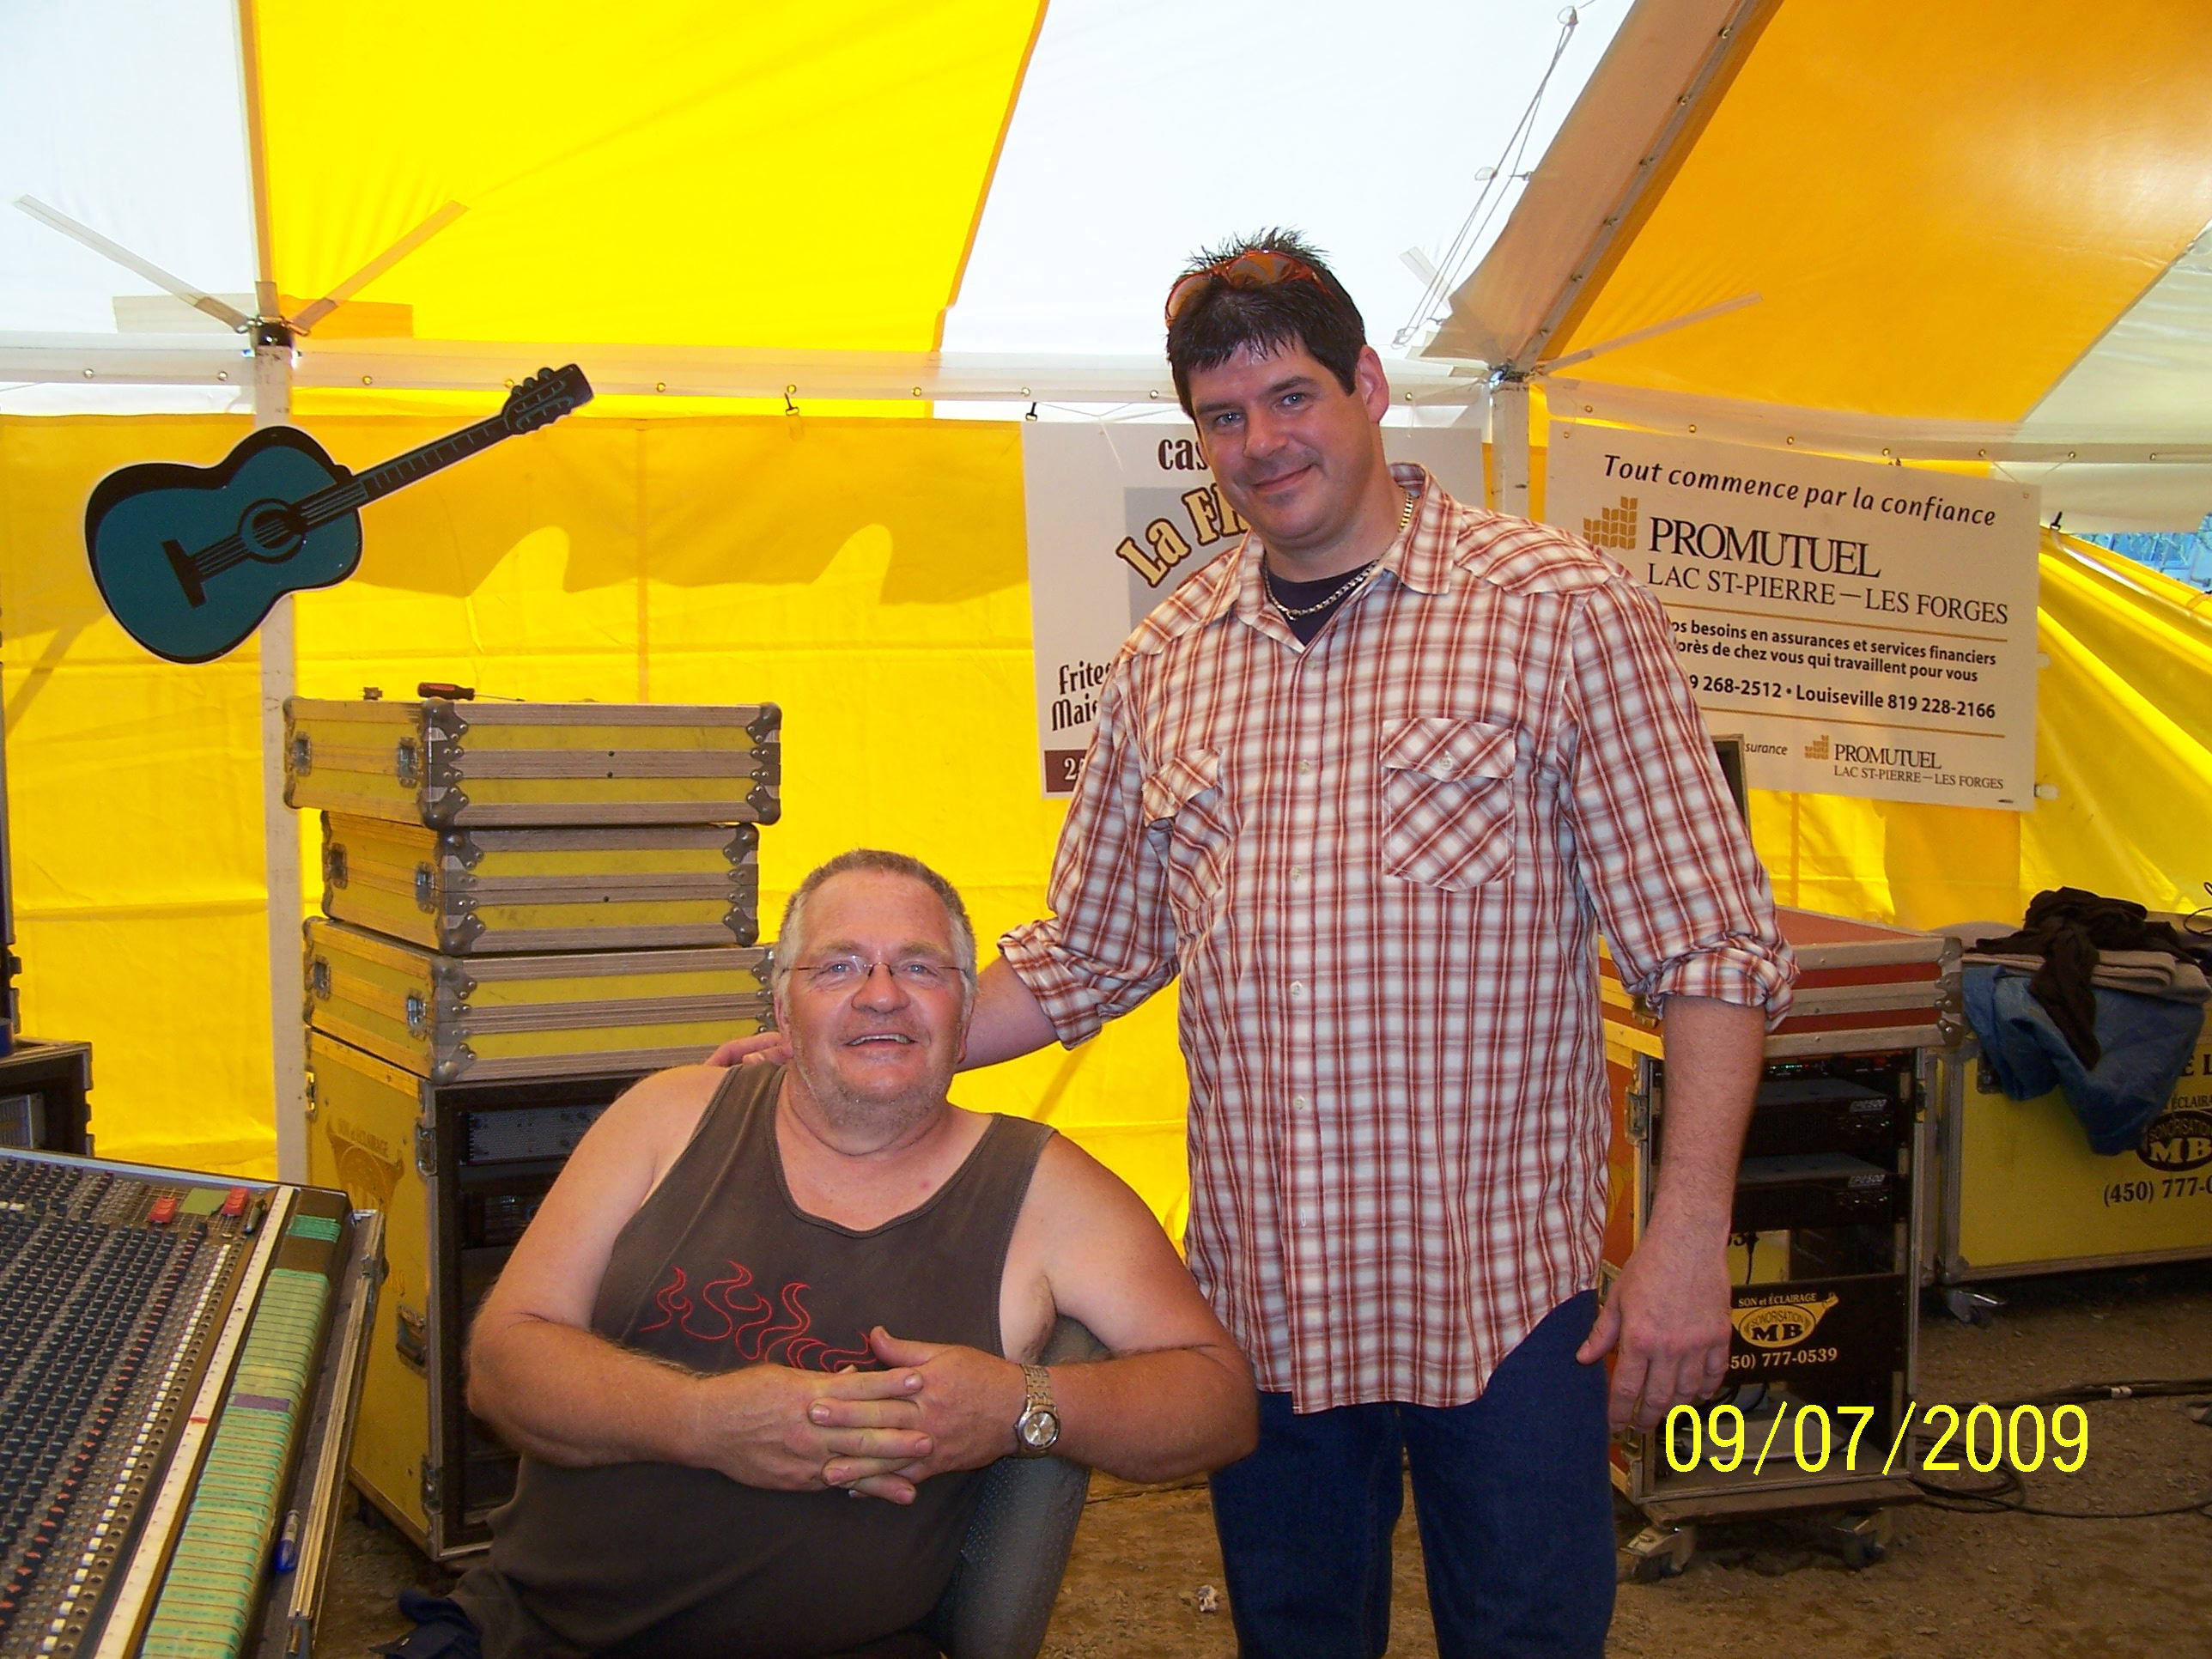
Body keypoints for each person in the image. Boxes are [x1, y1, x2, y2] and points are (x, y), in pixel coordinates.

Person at [721, 231, 1796, 1658]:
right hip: (1264, 1310)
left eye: (1293, 397)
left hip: (1506, 1300)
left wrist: (1687, 1236)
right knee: (1294, 1639)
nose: (1262, 443)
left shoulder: (1560, 615)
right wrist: (856, 1039)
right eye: (1223, 417)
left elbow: (1708, 946)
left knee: (1528, 1637)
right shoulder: (1168, 660)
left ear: (1369, 386)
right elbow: (1087, 952)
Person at [434, 849, 1257, 1659]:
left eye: (921, 968)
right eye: (838, 967)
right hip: (526, 1633)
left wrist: (1018, 1406)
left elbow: (1218, 1400)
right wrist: (703, 1423)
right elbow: (503, 1364)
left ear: (968, 1011)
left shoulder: (1047, 1191)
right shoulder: (667, 1117)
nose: (882, 995)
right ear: (782, 1009)